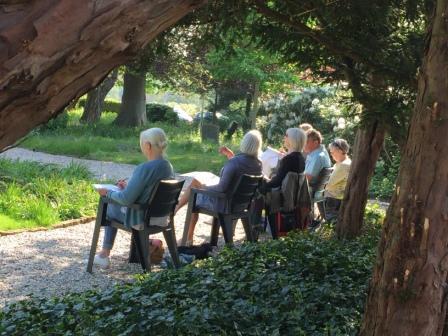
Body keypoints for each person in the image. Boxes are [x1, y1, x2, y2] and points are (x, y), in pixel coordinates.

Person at [93, 128, 174, 268]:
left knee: (108, 206)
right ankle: (104, 254)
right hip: (162, 217)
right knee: (113, 201)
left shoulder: (144, 168)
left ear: (148, 145)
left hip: (141, 218)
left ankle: (104, 254)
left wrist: (107, 193)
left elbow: (125, 200)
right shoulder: (168, 166)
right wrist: (127, 187)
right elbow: (151, 191)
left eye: (141, 144)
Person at [176, 130, 263, 245]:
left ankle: (187, 234)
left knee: (194, 188)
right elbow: (240, 173)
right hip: (241, 205)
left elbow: (221, 188)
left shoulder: (235, 162)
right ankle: (181, 219)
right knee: (197, 186)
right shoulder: (258, 165)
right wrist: (231, 157)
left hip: (223, 205)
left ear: (244, 143)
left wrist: (204, 187)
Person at [324, 138, 351, 219]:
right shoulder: (341, 163)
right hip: (335, 199)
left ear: (339, 150)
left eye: (332, 152)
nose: (331, 154)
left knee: (331, 223)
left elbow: (328, 184)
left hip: (334, 200)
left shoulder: (344, 165)